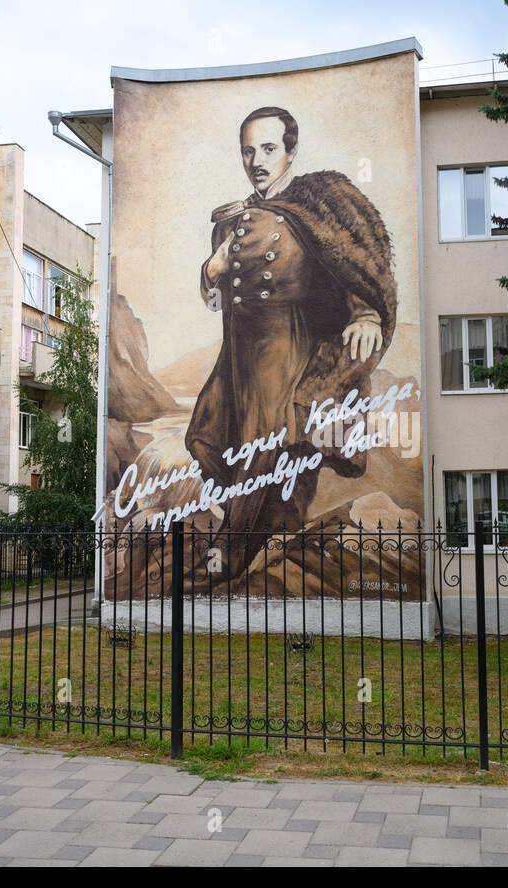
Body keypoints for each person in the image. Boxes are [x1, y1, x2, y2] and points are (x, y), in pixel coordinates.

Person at [187, 105, 397, 575]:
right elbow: (217, 301)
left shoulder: (323, 204)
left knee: (266, 444)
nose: (257, 160)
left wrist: (365, 314)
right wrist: (211, 269)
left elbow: (353, 261)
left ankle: (233, 550)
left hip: (292, 354)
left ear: (290, 151)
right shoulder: (231, 220)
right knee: (203, 438)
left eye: (267, 149)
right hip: (239, 360)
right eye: (248, 151)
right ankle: (270, 525)